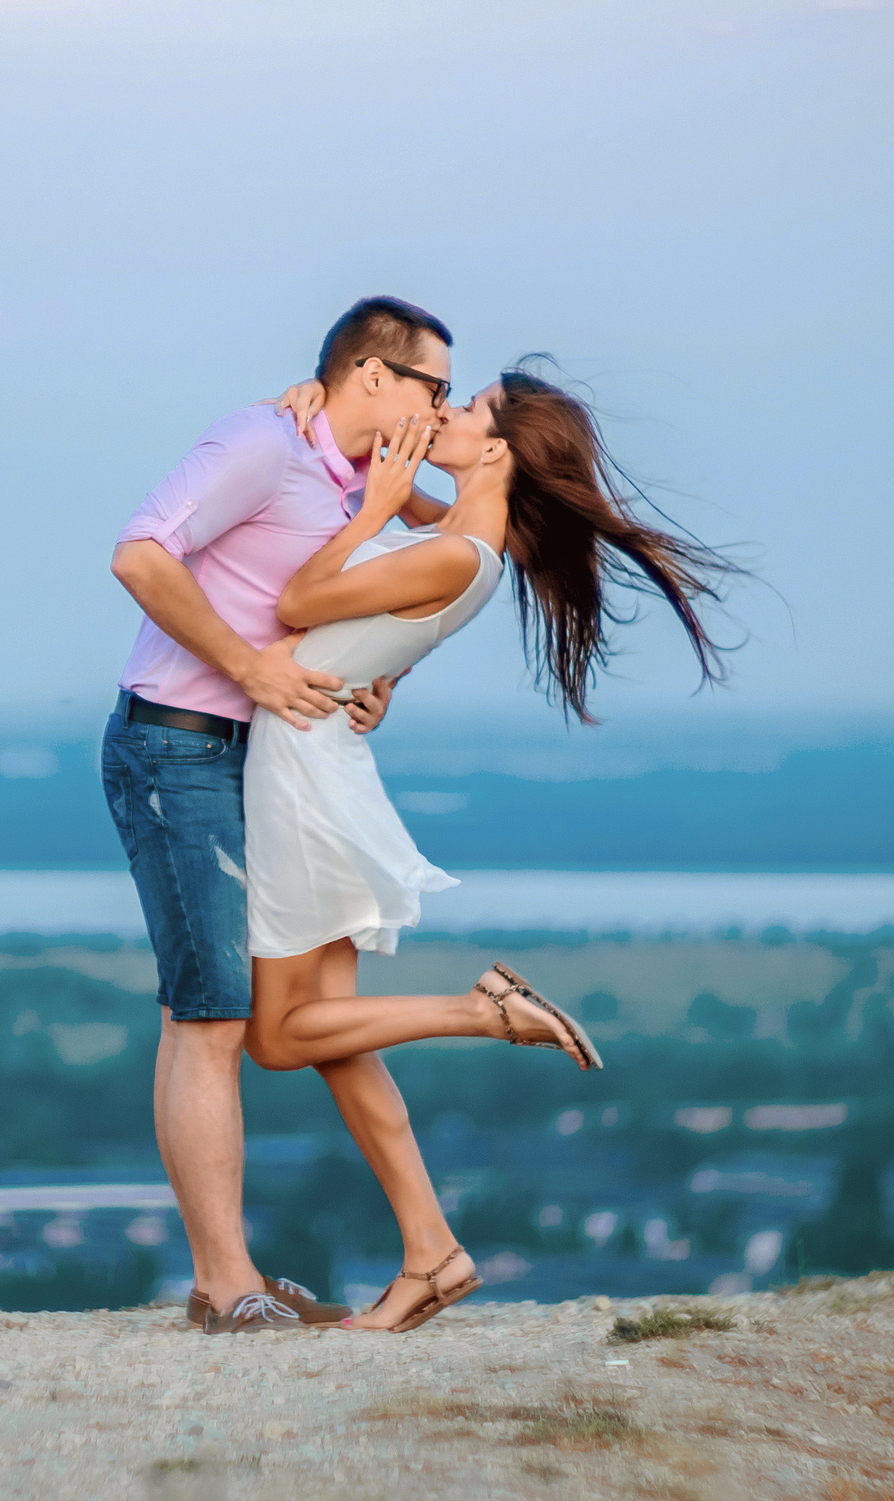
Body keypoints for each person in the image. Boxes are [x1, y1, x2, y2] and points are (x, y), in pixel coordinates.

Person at [245, 361, 734, 1331]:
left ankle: (482, 1011)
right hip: (323, 765)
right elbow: (408, 524)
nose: (444, 412)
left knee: (273, 1038)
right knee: (342, 1048)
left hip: (298, 780)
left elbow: (298, 602)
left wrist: (363, 510)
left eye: (466, 410)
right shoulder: (464, 538)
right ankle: (431, 1253)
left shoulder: (453, 552)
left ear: (500, 448)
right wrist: (311, 416)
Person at [103, 296, 459, 1335]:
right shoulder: (262, 444)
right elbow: (138, 555)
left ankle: (233, 1274)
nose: (441, 407)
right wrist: (249, 664)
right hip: (178, 744)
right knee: (210, 1017)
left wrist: (362, 679)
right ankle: (224, 1284)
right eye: (433, 386)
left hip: (253, 759)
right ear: (373, 376)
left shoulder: (359, 480)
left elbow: (374, 587)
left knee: (210, 1017)